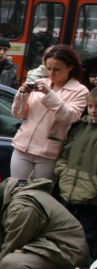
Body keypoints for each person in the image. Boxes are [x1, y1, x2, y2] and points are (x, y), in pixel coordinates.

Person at [10, 44, 88, 182]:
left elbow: (69, 117)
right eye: (48, 68)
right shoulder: (40, 82)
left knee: (40, 194)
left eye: (57, 69)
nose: (51, 73)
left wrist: (49, 94)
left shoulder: (80, 91)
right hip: (22, 146)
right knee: (15, 188)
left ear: (70, 67)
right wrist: (22, 94)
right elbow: (19, 115)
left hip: (48, 152)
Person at [55, 88, 97, 259]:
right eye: (91, 106)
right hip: (69, 188)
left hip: (92, 197)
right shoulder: (81, 127)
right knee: (61, 230)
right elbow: (66, 153)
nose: (93, 110)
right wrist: (63, 171)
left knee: (89, 234)